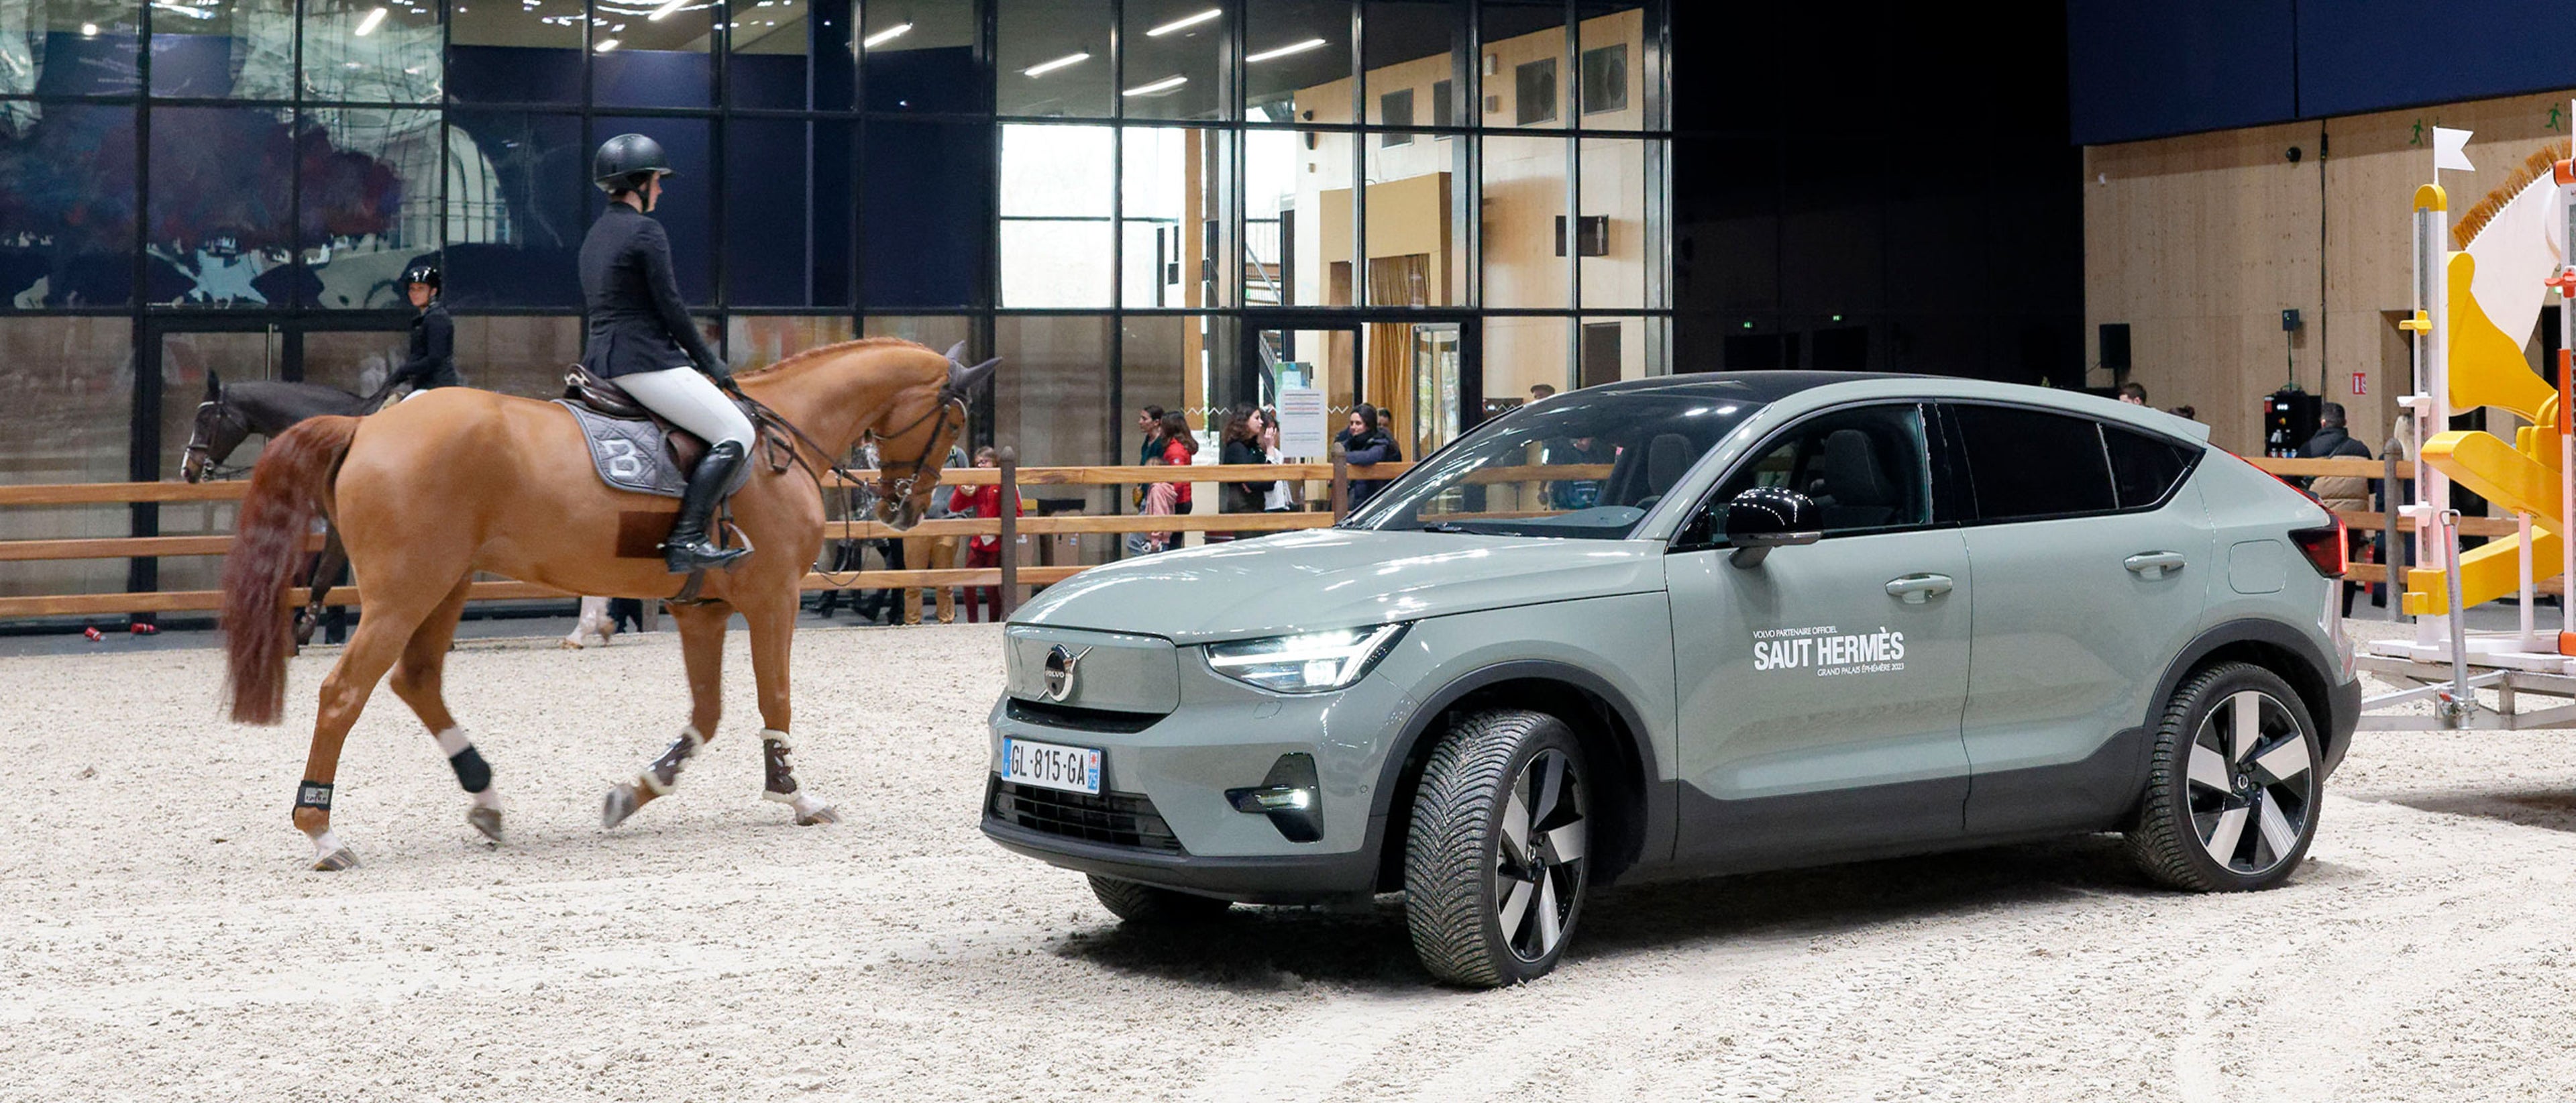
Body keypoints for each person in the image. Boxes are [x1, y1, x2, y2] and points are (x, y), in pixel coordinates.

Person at [578, 133, 751, 574]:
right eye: (656, 180)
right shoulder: (644, 231)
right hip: (641, 361)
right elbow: (671, 309)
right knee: (737, 430)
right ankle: (688, 539)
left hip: (600, 361)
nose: (661, 189)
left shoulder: (596, 234)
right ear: (637, 183)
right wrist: (711, 364)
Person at [2299, 403, 2375, 615]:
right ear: (2345, 423)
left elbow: (2291, 482)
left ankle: (2321, 612)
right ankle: (2345, 612)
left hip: (2321, 520)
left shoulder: (2309, 449)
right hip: (2354, 521)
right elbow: (2371, 487)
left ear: (2323, 423)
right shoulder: (2361, 449)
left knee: (2319, 565)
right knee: (2347, 562)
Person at [949, 446, 1024, 623]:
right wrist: (963, 489)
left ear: (995, 463)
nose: (981, 466)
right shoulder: (979, 486)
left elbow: (1017, 513)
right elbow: (955, 507)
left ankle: (993, 622)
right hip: (978, 542)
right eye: (978, 464)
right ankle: (972, 622)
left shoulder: (1004, 483)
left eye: (985, 462)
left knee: (992, 587)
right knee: (968, 583)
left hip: (997, 543)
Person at [390, 261, 458, 401]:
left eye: (420, 289)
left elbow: (435, 358)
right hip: (425, 385)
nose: (415, 294)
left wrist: (406, 370)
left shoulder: (437, 319)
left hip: (436, 387)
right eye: (412, 289)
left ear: (433, 291)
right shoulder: (423, 319)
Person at [1217, 405, 1274, 540]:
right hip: (1244, 506)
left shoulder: (1254, 448)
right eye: (1257, 418)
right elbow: (1254, 481)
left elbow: (1270, 483)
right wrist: (1270, 452)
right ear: (1244, 421)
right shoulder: (1237, 448)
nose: (1261, 422)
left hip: (1256, 505)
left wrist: (1256, 481)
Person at [1334, 403, 1402, 509]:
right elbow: (1336, 450)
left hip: (1376, 503)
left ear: (1368, 425)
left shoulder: (1381, 442)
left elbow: (1370, 457)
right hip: (1354, 500)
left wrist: (1341, 457)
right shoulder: (1350, 442)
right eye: (1351, 423)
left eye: (1358, 423)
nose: (1353, 427)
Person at [1259, 406, 1297, 513]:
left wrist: (1288, 499)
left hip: (1283, 504)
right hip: (1268, 505)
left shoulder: (1279, 454)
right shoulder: (1257, 453)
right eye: (1268, 431)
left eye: (1274, 431)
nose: (1272, 435)